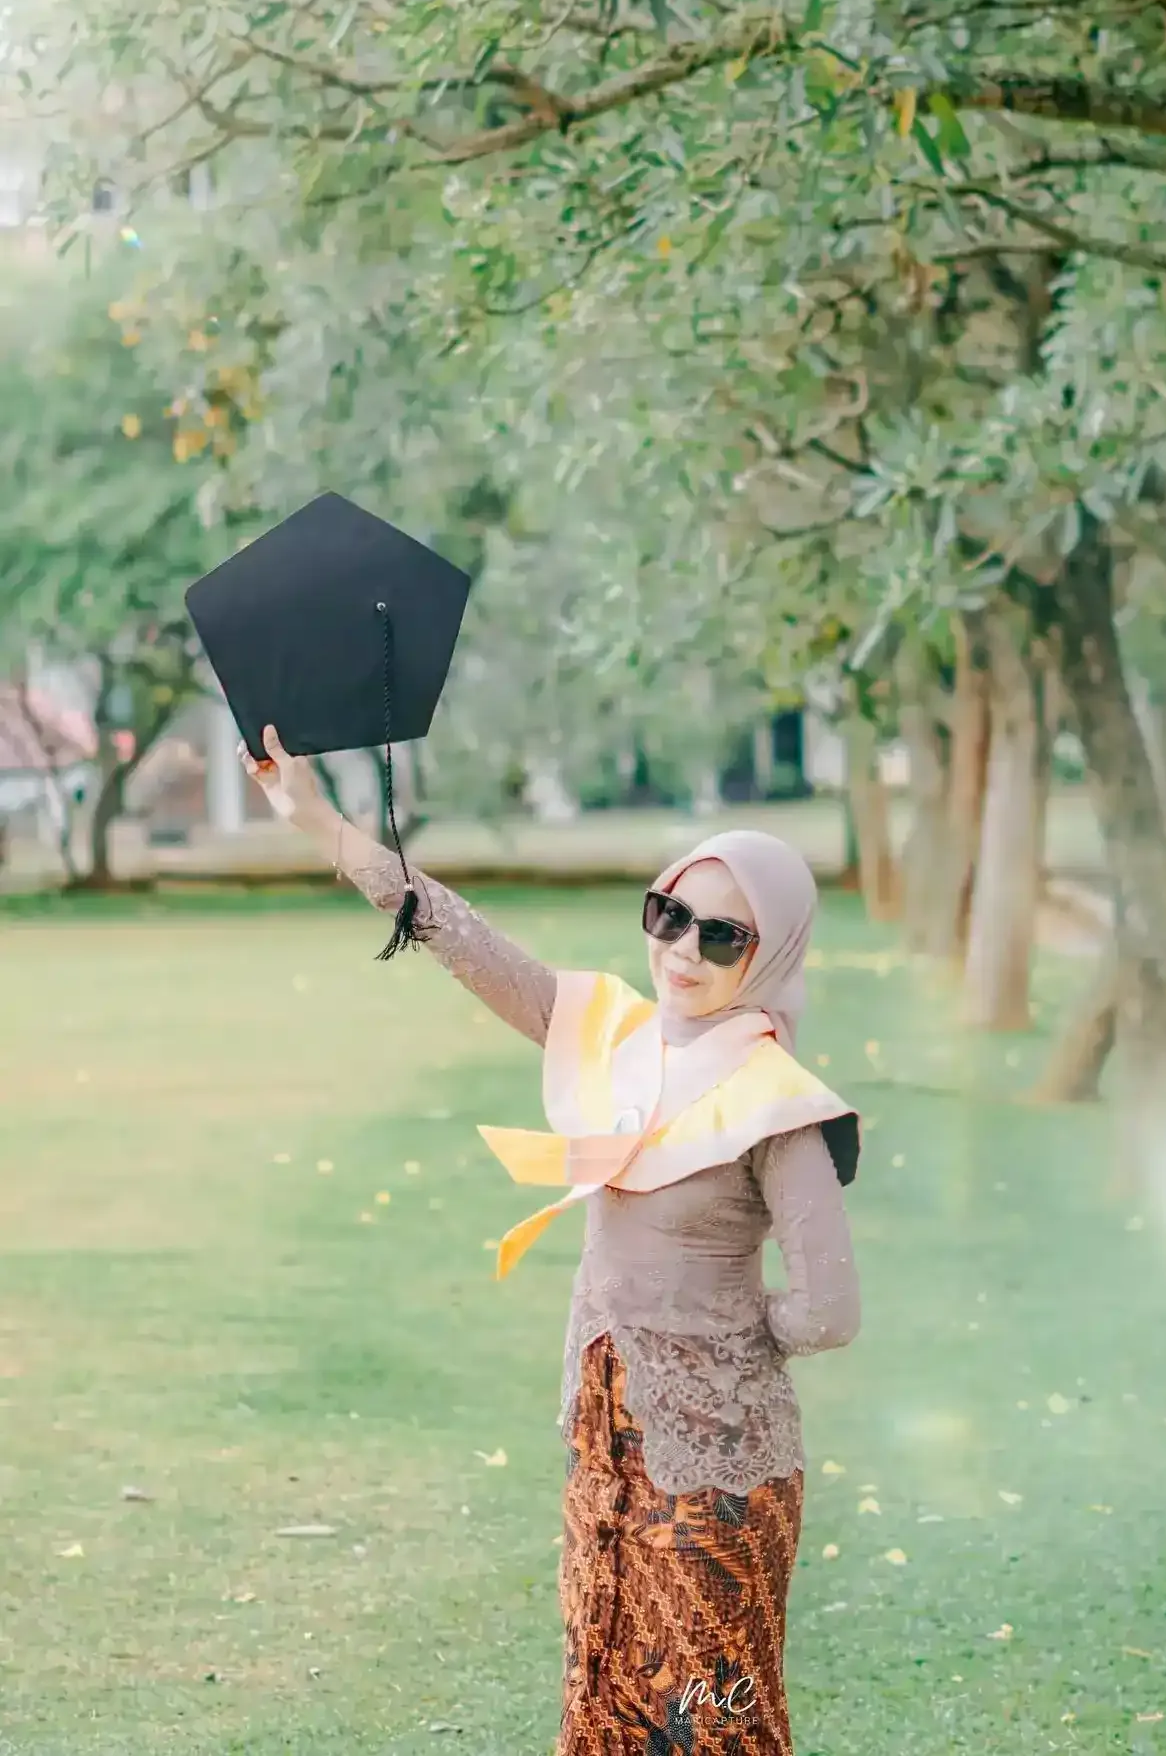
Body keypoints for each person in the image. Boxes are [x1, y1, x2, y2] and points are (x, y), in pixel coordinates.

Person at [241, 724, 862, 1756]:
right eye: (670, 916)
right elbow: (463, 939)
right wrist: (319, 823)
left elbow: (831, 1310)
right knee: (604, 1692)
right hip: (607, 1447)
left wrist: (720, 1327)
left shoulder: (777, 1105)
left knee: (705, 1722)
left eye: (722, 937)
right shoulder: (616, 1038)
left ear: (773, 953)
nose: (681, 952)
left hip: (717, 1472)